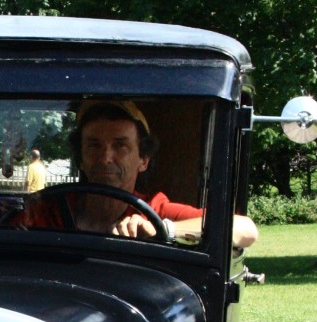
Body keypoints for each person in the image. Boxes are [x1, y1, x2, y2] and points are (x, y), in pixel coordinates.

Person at [20, 99, 258, 248]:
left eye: (120, 146)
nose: (105, 158)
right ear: (80, 158)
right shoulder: (47, 210)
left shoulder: (154, 209)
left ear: (143, 159)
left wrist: (164, 230)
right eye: (94, 145)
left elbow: (245, 229)